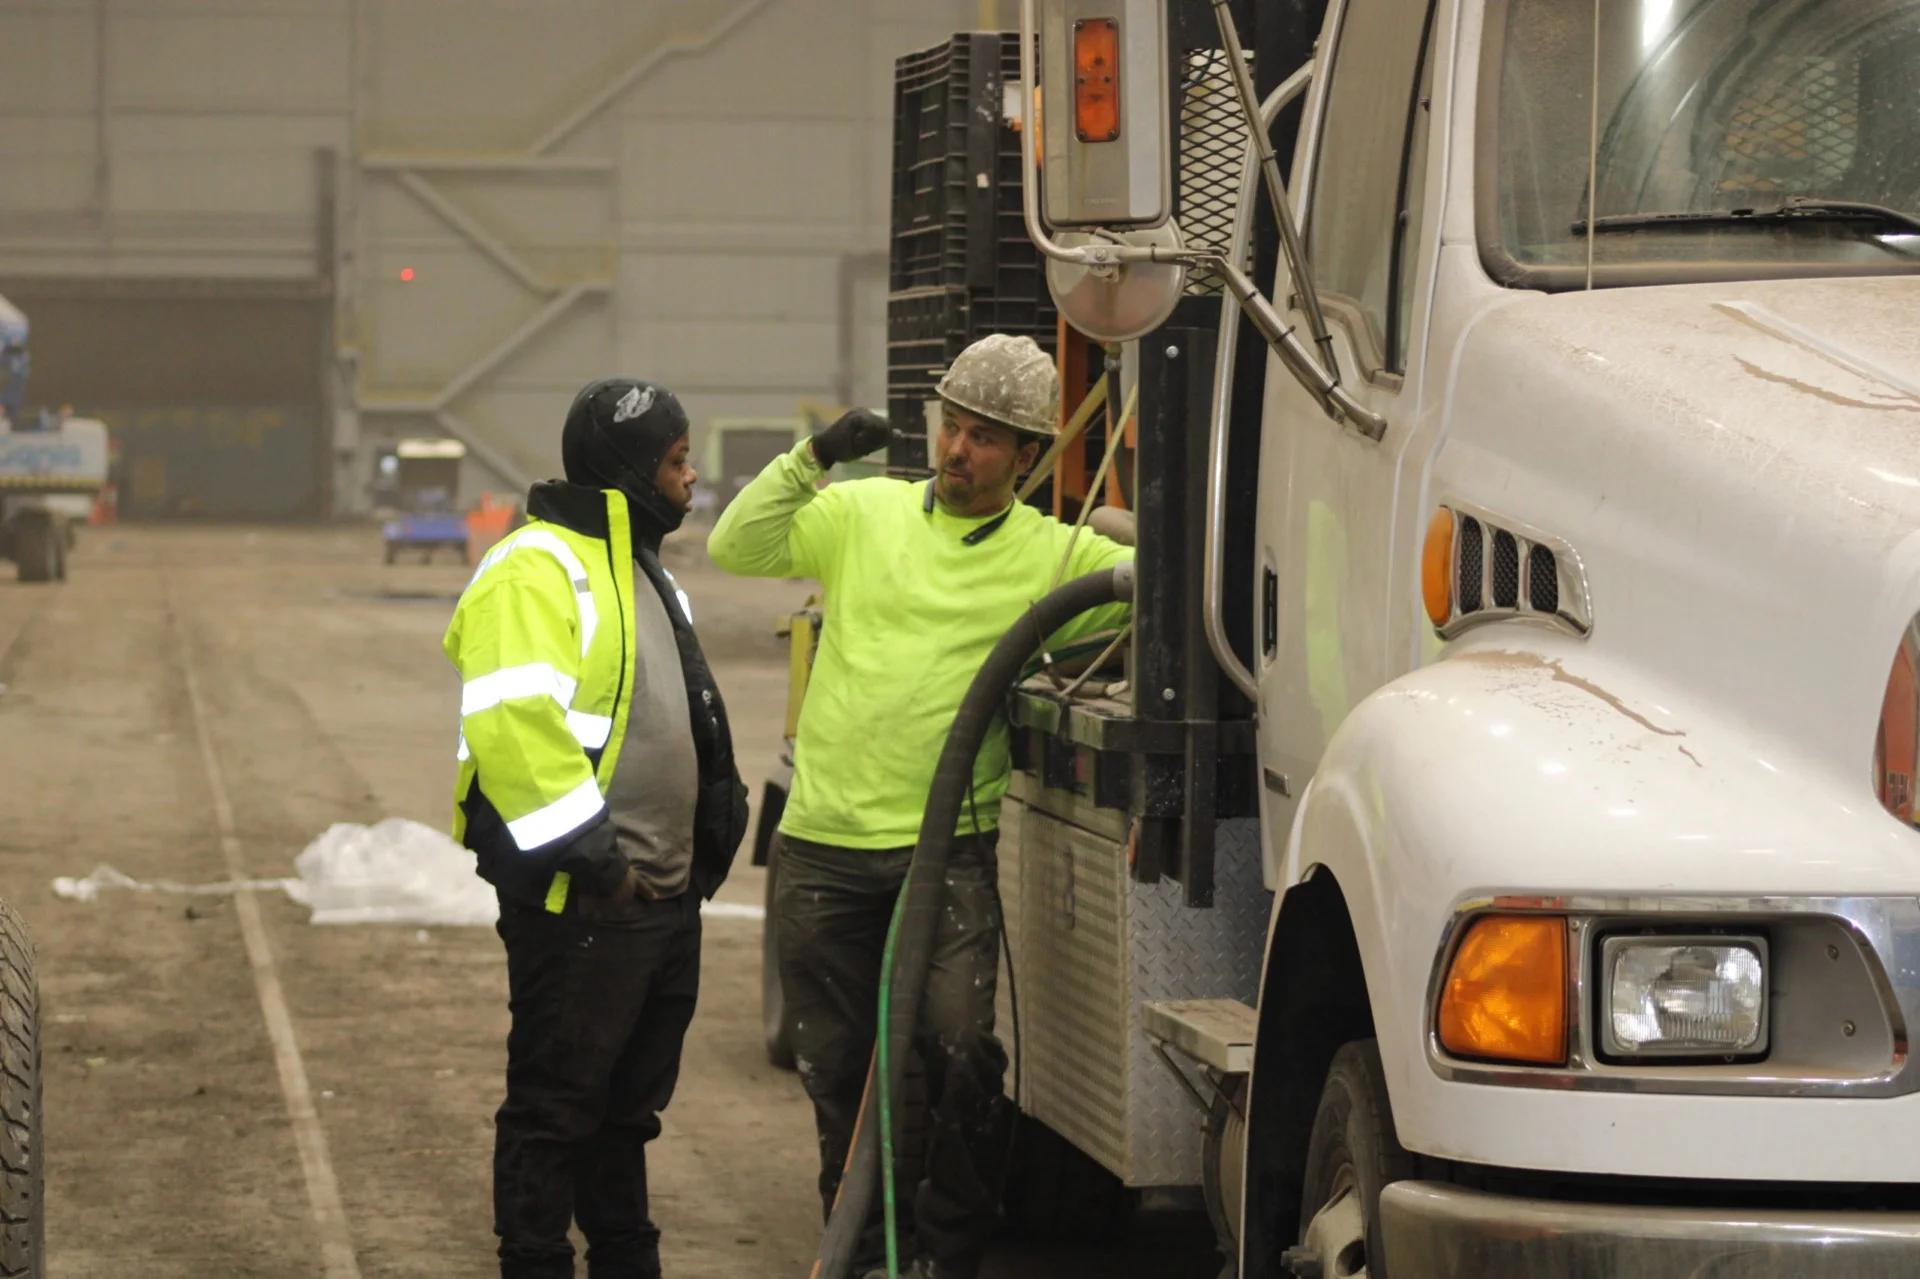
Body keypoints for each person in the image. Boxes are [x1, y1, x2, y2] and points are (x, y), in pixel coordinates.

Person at [707, 334, 1133, 1279]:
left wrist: (1147, 538)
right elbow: (737, 544)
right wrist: (814, 457)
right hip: (821, 849)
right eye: (953, 427)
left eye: (986, 440)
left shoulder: (1056, 556)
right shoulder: (862, 513)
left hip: (942, 856)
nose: (956, 451)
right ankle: (859, 1252)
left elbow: (1159, 600)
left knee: (957, 1051)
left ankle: (948, 1253)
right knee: (842, 1074)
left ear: (1029, 457)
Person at [443, 377, 749, 1279]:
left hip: (656, 905)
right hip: (585, 906)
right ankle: (537, 1261)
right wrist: (602, 868)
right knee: (553, 1110)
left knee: (623, 1117)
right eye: (676, 460)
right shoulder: (535, 568)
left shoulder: (648, 575)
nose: (692, 478)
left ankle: (626, 1260)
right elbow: (515, 728)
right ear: (627, 470)